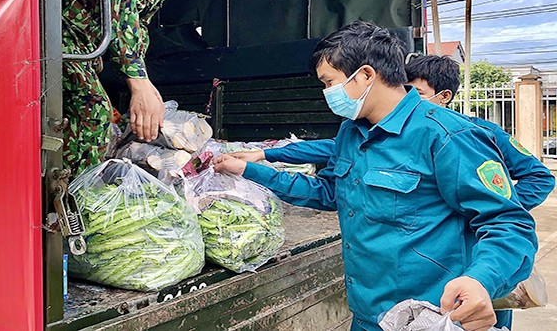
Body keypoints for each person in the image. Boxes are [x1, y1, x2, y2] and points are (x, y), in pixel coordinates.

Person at [213, 21, 537, 331]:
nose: (327, 93)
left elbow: (509, 223)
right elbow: (328, 192)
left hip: (431, 316)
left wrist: (481, 279)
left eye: (329, 82)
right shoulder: (350, 132)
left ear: (365, 75)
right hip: (368, 314)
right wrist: (249, 170)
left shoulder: (446, 136)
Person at [62, 0, 256, 173]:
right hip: (59, 28)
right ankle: (75, 193)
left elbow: (140, 22)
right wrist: (138, 83)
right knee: (93, 111)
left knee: (96, 113)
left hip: (86, 40)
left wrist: (144, 79)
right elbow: (123, 9)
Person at [238, 54, 556, 211]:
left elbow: (537, 181)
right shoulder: (365, 131)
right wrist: (262, 158)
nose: (407, 98)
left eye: (416, 91)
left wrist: (487, 206)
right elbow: (329, 157)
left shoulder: (475, 133)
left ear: (443, 97)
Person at [405, 54, 555, 211]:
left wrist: (500, 209)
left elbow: (539, 177)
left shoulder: (482, 132)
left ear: (444, 96)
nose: (410, 100)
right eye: (406, 92)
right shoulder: (396, 132)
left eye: (417, 93)